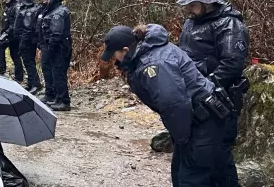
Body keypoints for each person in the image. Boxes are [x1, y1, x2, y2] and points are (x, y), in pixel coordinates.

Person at [101, 24, 238, 187]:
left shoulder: (153, 63)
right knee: (207, 172)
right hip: (202, 118)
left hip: (202, 122)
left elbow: (174, 104)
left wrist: (182, 139)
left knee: (190, 179)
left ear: (125, 49)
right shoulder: (149, 51)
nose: (114, 60)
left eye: (115, 54)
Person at [176, 0, 248, 179]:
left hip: (218, 100)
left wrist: (205, 88)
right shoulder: (191, 23)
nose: (189, 8)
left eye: (193, 4)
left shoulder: (229, 24)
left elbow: (232, 64)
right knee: (192, 151)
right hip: (192, 96)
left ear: (207, 3)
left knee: (219, 156)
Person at [39, 0, 71, 111]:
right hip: (55, 47)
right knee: (55, 73)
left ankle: (64, 101)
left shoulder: (58, 13)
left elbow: (56, 33)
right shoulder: (53, 11)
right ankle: (58, 98)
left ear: (53, 0)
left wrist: (50, 48)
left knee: (59, 74)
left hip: (60, 48)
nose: (45, 0)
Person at [14, 0, 41, 94]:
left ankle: (35, 83)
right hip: (25, 40)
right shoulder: (28, 10)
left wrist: (23, 43)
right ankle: (31, 83)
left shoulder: (29, 12)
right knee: (28, 62)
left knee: (29, 63)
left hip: (27, 41)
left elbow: (28, 29)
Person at [36, 0, 55, 104]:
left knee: (50, 69)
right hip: (42, 43)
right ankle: (49, 92)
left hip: (50, 44)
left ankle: (51, 93)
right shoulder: (42, 9)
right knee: (46, 68)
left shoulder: (52, 10)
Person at [0, 0, 19, 78]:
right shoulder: (8, 7)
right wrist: (1, 33)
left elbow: (15, 23)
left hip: (14, 35)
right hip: (7, 33)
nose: (4, 0)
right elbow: (5, 22)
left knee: (15, 55)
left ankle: (19, 76)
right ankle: (1, 68)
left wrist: (7, 32)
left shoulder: (16, 7)